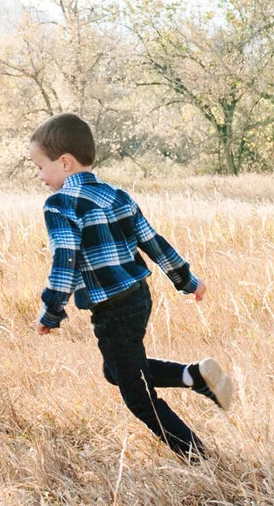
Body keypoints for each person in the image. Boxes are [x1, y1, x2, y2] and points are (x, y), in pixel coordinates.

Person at [29, 112, 241, 458]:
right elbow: (153, 243)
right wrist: (188, 282)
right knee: (117, 370)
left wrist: (51, 312)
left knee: (138, 397)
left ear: (64, 162)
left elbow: (64, 262)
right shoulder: (117, 195)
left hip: (111, 310)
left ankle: (198, 457)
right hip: (139, 298)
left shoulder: (60, 204)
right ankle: (195, 376)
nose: (39, 176)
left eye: (40, 166)